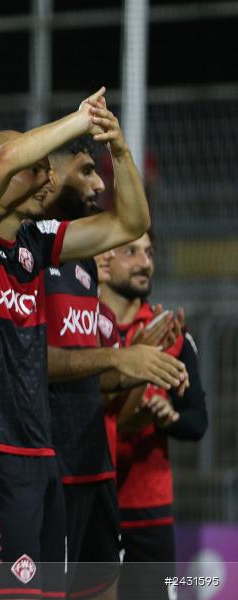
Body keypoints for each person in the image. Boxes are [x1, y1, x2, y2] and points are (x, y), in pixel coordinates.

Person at [0, 88, 154, 599]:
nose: (48, 178)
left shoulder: (34, 244)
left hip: (38, 452)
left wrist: (119, 150)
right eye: (36, 170)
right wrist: (79, 120)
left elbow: (130, 223)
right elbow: (6, 156)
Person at [41, 137, 188, 598]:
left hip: (95, 469)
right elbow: (26, 360)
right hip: (47, 468)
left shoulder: (81, 264)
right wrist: (120, 357)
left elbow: (91, 380)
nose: (99, 184)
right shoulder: (23, 250)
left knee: (104, 588)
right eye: (86, 171)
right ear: (48, 174)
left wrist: (140, 365)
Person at [100, 232, 208, 600]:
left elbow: (197, 422)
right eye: (131, 251)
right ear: (102, 259)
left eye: (149, 252)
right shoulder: (80, 329)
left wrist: (168, 418)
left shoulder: (172, 335)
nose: (145, 263)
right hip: (89, 500)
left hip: (148, 510)